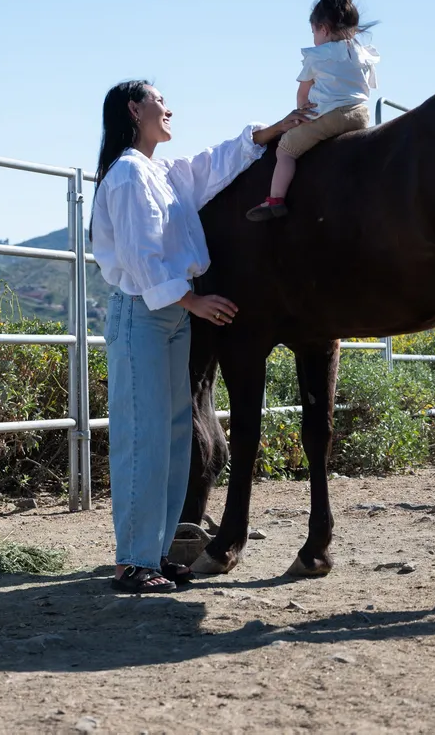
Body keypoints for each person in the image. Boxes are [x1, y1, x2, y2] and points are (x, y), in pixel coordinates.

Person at [90, 80, 310, 592]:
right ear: (133, 108)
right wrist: (194, 301)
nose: (169, 108)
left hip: (167, 315)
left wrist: (274, 130)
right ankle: (132, 562)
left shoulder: (160, 173)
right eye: (159, 100)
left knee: (171, 438)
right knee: (143, 437)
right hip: (146, 311)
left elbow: (212, 163)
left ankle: (157, 554)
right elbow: (144, 258)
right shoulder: (127, 175)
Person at [246, 0, 379, 221]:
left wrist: (301, 115)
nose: (314, 38)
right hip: (361, 114)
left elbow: (303, 94)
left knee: (286, 150)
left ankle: (275, 200)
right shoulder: (362, 53)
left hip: (331, 116)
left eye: (314, 32)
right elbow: (366, 86)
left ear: (323, 29)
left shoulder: (316, 55)